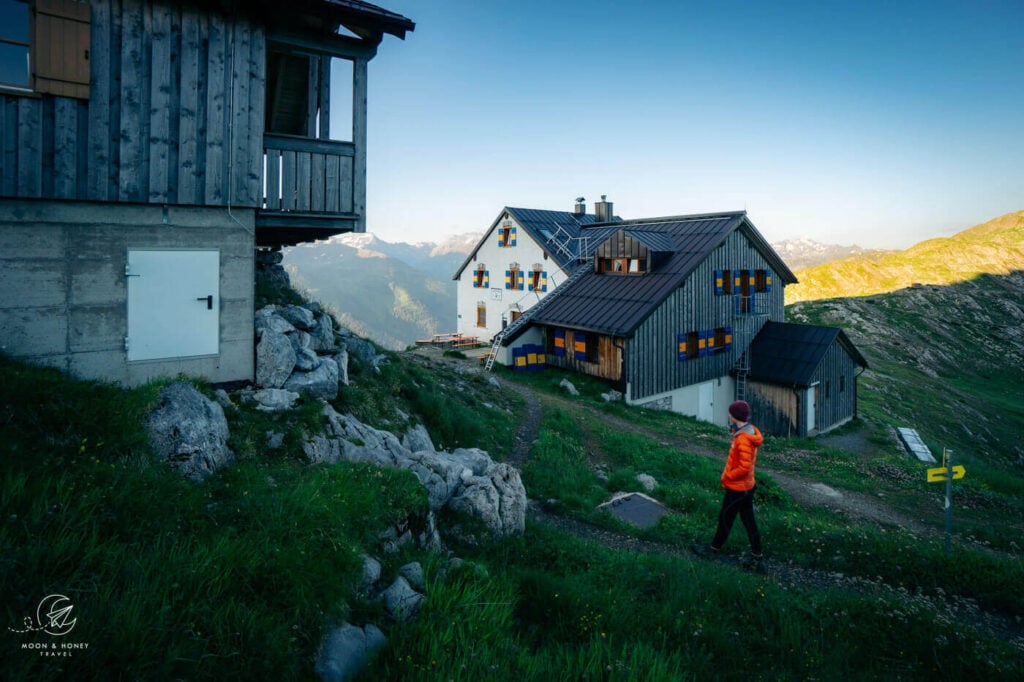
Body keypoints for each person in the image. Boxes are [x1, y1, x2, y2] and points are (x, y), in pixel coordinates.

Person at [691, 399, 764, 562]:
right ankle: (757, 556)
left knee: (725, 518)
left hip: (738, 488)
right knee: (748, 521)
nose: (729, 415)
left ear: (734, 416)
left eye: (730, 412)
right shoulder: (748, 431)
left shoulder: (743, 438)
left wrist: (727, 476)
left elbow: (744, 467)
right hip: (747, 486)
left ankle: (712, 550)